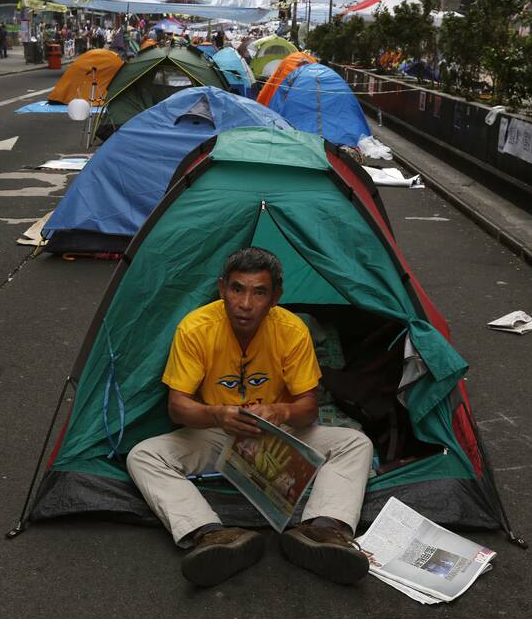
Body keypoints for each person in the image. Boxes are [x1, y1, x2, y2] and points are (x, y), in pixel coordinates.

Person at [127, 247, 374, 588]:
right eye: (237, 289)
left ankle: (323, 531)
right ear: (221, 289)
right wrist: (216, 414)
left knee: (356, 443)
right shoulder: (195, 328)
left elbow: (309, 409)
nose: (245, 303)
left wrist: (280, 410)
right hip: (221, 433)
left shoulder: (291, 330)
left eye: (259, 292)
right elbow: (177, 407)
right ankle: (212, 535)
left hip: (277, 436)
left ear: (275, 297)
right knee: (143, 455)